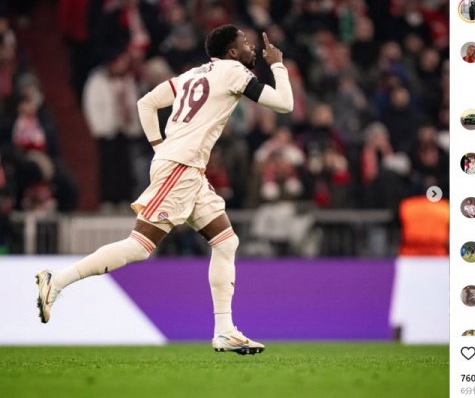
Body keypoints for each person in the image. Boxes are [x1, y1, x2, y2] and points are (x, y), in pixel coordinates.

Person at [36, 25, 293, 355]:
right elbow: (284, 104)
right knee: (140, 246)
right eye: (245, 42)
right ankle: (56, 280)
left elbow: (147, 103)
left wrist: (160, 147)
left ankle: (225, 331)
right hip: (180, 168)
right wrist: (277, 65)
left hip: (187, 168)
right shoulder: (235, 72)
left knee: (226, 242)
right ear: (231, 52)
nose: (252, 46)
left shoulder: (193, 74)